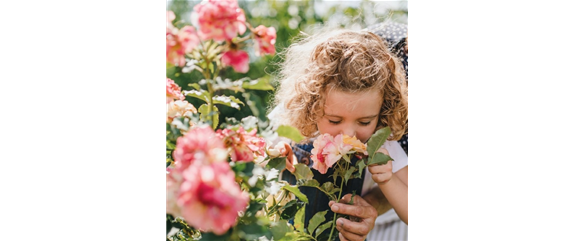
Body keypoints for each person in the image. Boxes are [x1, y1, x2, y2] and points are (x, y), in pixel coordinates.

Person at [268, 25, 408, 241]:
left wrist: (388, 179)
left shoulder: (383, 144)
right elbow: (260, 158)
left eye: (364, 121)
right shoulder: (297, 129)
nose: (349, 134)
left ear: (382, 112)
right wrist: (275, 156)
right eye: (334, 120)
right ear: (313, 107)